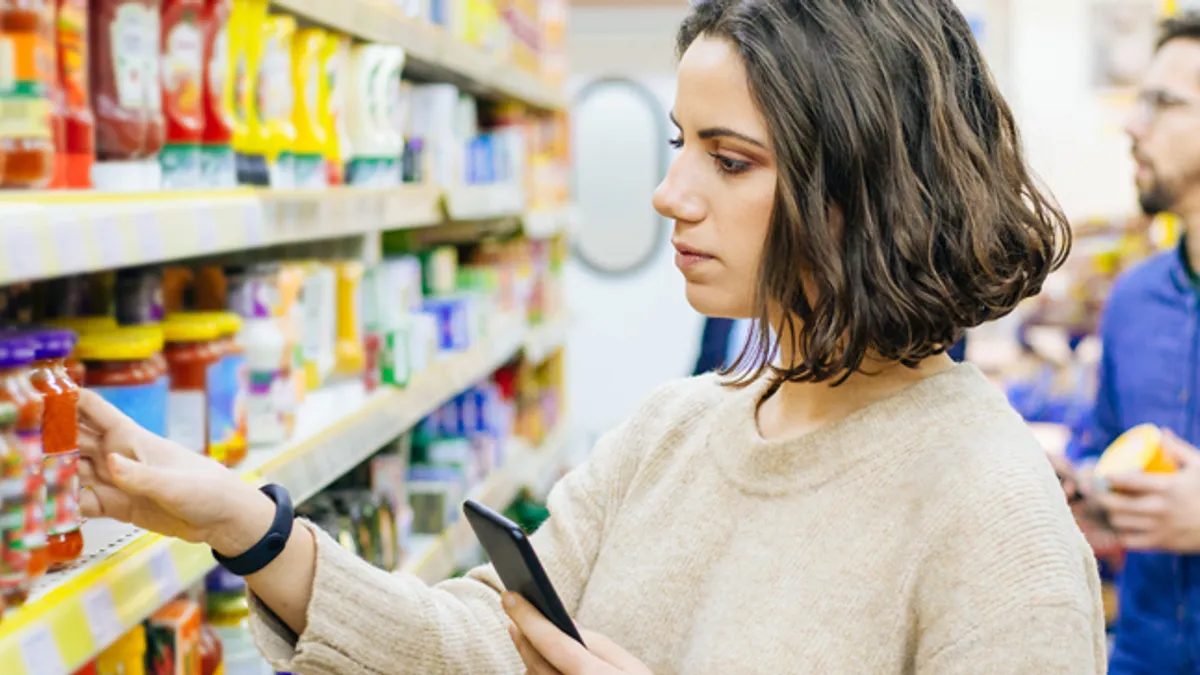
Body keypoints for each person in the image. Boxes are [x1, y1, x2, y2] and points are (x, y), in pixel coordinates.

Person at [77, 0, 1106, 672]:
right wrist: (246, 527)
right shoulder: (672, 432)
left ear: (862, 188)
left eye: (731, 161)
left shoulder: (990, 512)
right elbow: (486, 644)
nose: (669, 195)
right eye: (677, 146)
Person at [1063, 13, 1200, 674]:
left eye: (1163, 103)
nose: (1132, 124)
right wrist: (1084, 484)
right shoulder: (1133, 299)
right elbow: (1106, 443)